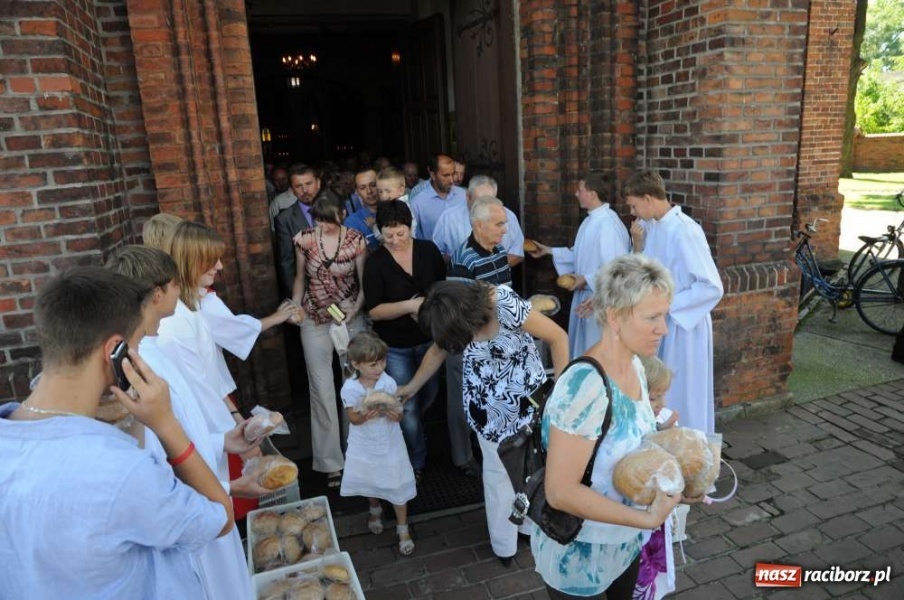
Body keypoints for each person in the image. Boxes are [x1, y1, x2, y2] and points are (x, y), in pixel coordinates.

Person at [0, 267, 233, 599]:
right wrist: (166, 424)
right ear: (115, 352)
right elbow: (218, 516)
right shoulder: (120, 471)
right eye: (137, 344)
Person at [106, 246, 267, 600]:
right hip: (196, 517)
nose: (182, 292)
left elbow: (182, 427)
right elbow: (156, 466)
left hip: (208, 493)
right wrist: (231, 488)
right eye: (176, 284)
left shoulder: (152, 347)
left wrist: (224, 440)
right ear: (159, 293)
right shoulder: (137, 370)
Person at [532, 254, 684, 600]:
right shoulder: (585, 386)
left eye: (664, 315)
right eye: (652, 317)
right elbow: (560, 492)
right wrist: (648, 519)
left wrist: (676, 473)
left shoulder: (635, 365)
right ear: (615, 317)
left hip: (623, 543)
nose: (663, 328)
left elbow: (633, 445)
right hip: (580, 555)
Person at [398, 280, 569, 565]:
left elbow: (558, 337)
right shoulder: (451, 319)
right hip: (486, 412)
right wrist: (412, 387)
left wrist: (562, 393)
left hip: (531, 404)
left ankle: (529, 527)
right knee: (498, 478)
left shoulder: (502, 302)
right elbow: (437, 351)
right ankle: (505, 545)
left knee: (533, 469)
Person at [623, 169, 724, 434]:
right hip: (660, 322)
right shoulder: (652, 229)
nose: (633, 212)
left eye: (634, 205)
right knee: (659, 389)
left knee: (683, 392)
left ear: (648, 198)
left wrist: (665, 306)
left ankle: (690, 451)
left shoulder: (686, 231)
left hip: (684, 328)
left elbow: (711, 287)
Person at [363, 200, 446, 480]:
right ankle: (415, 462)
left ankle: (414, 435)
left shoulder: (428, 250)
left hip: (430, 340)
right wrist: (409, 307)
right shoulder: (375, 262)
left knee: (428, 395)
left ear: (411, 228)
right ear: (380, 232)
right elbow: (373, 309)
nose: (396, 240)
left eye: (401, 234)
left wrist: (428, 306)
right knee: (406, 403)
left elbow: (442, 289)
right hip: (396, 344)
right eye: (389, 235)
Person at [292, 194, 368, 488]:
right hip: (314, 319)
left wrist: (355, 309)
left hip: (349, 316)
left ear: (343, 214)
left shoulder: (356, 240)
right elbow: (300, 277)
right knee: (321, 389)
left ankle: (356, 453)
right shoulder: (304, 239)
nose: (323, 226)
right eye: (319, 221)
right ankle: (330, 462)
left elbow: (364, 282)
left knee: (353, 385)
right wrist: (295, 306)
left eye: (329, 221)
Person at [527, 171, 630, 357]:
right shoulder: (592, 220)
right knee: (584, 351)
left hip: (599, 299)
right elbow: (579, 253)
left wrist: (587, 279)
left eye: (580, 190)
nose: (576, 194)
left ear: (591, 193)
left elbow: (617, 267)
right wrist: (549, 251)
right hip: (586, 295)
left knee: (596, 352)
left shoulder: (607, 224)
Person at [340, 331, 417, 556]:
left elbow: (398, 412)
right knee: (370, 476)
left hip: (389, 439)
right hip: (365, 441)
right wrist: (367, 414)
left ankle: (403, 528)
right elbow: (353, 419)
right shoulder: (351, 388)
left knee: (397, 479)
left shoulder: (388, 382)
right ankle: (374, 507)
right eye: (373, 364)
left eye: (382, 361)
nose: (379, 368)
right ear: (356, 364)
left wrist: (395, 415)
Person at [433, 175, 524, 267]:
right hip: (460, 278)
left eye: (489, 201)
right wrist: (463, 264)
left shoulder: (509, 216)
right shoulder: (448, 217)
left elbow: (518, 252)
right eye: (479, 202)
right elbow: (436, 253)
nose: (484, 207)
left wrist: (491, 268)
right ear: (468, 196)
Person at [274, 165, 336, 294]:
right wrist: (298, 299)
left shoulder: (335, 209)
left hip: (341, 285)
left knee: (344, 314)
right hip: (310, 291)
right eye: (298, 186)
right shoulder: (284, 219)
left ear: (318, 183)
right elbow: (287, 264)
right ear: (292, 189)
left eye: (309, 183)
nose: (305, 190)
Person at [448, 196, 513, 284]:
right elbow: (460, 297)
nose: (505, 230)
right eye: (499, 224)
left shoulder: (500, 250)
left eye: (504, 223)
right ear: (479, 226)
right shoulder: (463, 260)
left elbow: (507, 294)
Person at [409, 153, 467, 241]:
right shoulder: (418, 203)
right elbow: (414, 237)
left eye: (453, 174)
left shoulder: (463, 195)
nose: (452, 180)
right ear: (432, 175)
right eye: (446, 175)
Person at [344, 168, 381, 251]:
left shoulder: (396, 210)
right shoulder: (352, 222)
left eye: (373, 185)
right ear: (356, 192)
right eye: (362, 188)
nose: (369, 191)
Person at [377, 166, 418, 238]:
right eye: (380, 192)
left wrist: (374, 227)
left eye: (388, 191)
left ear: (401, 190)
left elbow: (386, 236)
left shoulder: (401, 209)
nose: (383, 196)